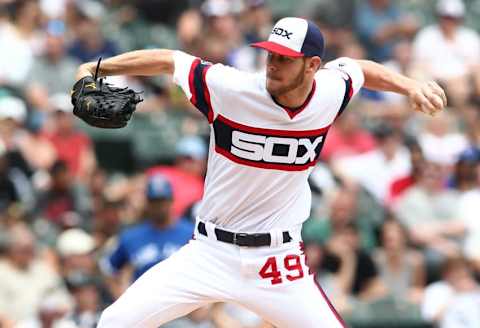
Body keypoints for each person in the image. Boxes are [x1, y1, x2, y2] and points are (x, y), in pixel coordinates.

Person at [74, 16, 446, 328]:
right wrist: (97, 68)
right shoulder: (232, 88)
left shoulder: (330, 92)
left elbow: (360, 69)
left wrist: (409, 85)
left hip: (278, 262)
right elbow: (170, 60)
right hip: (209, 253)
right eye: (270, 55)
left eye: (285, 59)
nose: (272, 64)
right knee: (114, 321)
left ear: (312, 65)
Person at [99, 174, 193, 299]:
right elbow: (108, 268)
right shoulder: (132, 236)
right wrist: (121, 299)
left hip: (182, 306)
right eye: (155, 202)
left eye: (162, 201)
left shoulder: (190, 232)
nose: (159, 207)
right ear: (147, 203)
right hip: (145, 305)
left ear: (171, 201)